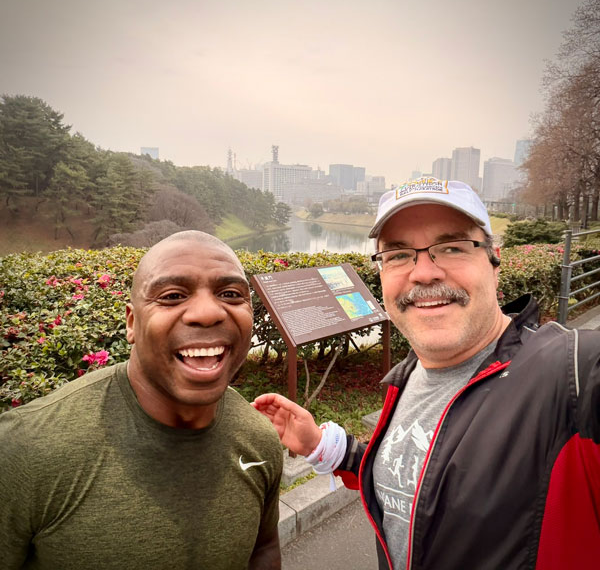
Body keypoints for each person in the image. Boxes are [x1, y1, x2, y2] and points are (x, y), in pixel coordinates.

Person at [253, 178, 600, 570]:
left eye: (452, 247)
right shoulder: (410, 374)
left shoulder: (572, 374)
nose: (424, 273)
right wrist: (327, 448)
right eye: (399, 254)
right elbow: (419, 475)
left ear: (494, 261)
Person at [0, 230, 283, 570]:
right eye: (173, 295)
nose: (208, 312)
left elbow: (264, 549)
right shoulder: (27, 448)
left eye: (231, 294)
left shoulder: (259, 438)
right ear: (132, 323)